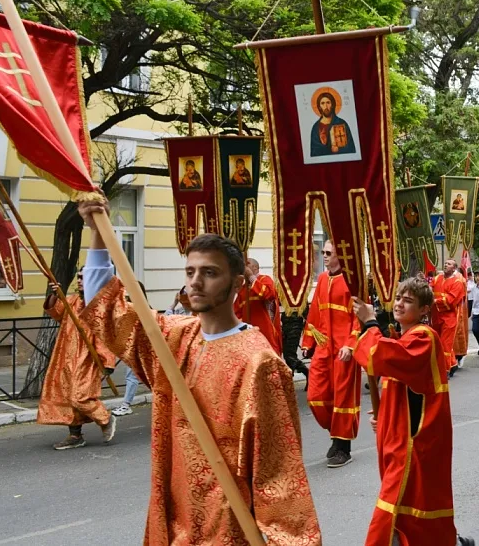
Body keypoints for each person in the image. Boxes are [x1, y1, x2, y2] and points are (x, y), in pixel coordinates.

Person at [75, 197, 321, 544]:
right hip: (176, 514)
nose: (196, 282)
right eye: (190, 272)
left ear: (236, 284)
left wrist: (282, 538)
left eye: (210, 272)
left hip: (228, 524)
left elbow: (279, 469)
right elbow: (109, 313)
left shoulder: (259, 363)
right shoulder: (173, 337)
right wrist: (97, 233)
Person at [351, 280, 476, 546]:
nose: (398, 303)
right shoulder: (403, 337)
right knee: (414, 510)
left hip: (415, 443)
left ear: (423, 310)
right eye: (397, 297)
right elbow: (400, 386)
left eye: (407, 300)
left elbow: (378, 356)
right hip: (400, 437)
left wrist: (370, 324)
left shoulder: (424, 337)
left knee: (396, 510)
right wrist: (384, 413)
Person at [38, 267, 118, 449]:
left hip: (87, 358)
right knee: (67, 395)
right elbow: (56, 312)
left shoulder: (100, 305)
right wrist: (55, 295)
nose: (79, 281)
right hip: (66, 355)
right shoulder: (72, 301)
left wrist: (107, 362)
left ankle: (105, 419)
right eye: (79, 277)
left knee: (79, 396)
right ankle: (75, 435)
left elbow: (105, 336)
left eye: (84, 278)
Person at [302, 240, 361, 468]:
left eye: (328, 253)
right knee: (315, 396)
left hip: (344, 349)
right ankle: (335, 432)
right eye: (323, 252)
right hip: (324, 347)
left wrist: (351, 344)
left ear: (341, 256)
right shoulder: (324, 279)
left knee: (343, 398)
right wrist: (308, 341)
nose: (324, 256)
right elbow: (314, 312)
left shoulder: (351, 281)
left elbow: (358, 317)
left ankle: (342, 447)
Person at [113, 281, 164, 418]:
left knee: (139, 377)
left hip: (145, 349)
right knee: (135, 376)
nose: (127, 294)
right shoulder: (135, 308)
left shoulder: (141, 309)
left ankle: (126, 405)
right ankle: (127, 405)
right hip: (138, 349)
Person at [234, 258, 283, 355]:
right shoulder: (243, 289)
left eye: (247, 265)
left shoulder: (265, 279)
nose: (244, 268)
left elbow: (269, 295)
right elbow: (236, 313)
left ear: (255, 267)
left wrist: (251, 277)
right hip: (248, 336)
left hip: (266, 333)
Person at [433, 258, 468, 377]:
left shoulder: (457, 283)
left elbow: (451, 301)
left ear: (454, 268)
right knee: (438, 342)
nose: (446, 265)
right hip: (436, 316)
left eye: (449, 264)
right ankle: (453, 364)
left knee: (445, 344)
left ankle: (445, 370)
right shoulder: (437, 278)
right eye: (445, 263)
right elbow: (429, 289)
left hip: (449, 317)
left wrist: (434, 301)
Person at [310, 89, 355, 156]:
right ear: (319, 107)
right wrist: (329, 150)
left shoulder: (341, 123)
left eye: (328, 102)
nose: (326, 106)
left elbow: (351, 148)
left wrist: (339, 150)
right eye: (322, 103)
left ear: (332, 105)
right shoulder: (315, 127)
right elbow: (314, 151)